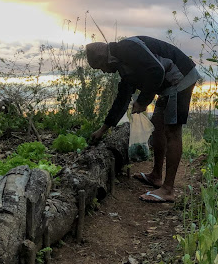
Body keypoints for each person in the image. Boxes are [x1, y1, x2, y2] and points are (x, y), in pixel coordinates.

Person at [86, 36, 200, 203]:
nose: (103, 71)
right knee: (158, 127)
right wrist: (103, 129)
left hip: (179, 78)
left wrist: (143, 101)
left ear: (104, 58)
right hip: (168, 85)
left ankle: (168, 189)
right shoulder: (123, 66)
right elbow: (122, 99)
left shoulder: (128, 49)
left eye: (100, 67)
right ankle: (156, 176)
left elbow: (157, 71)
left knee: (172, 131)